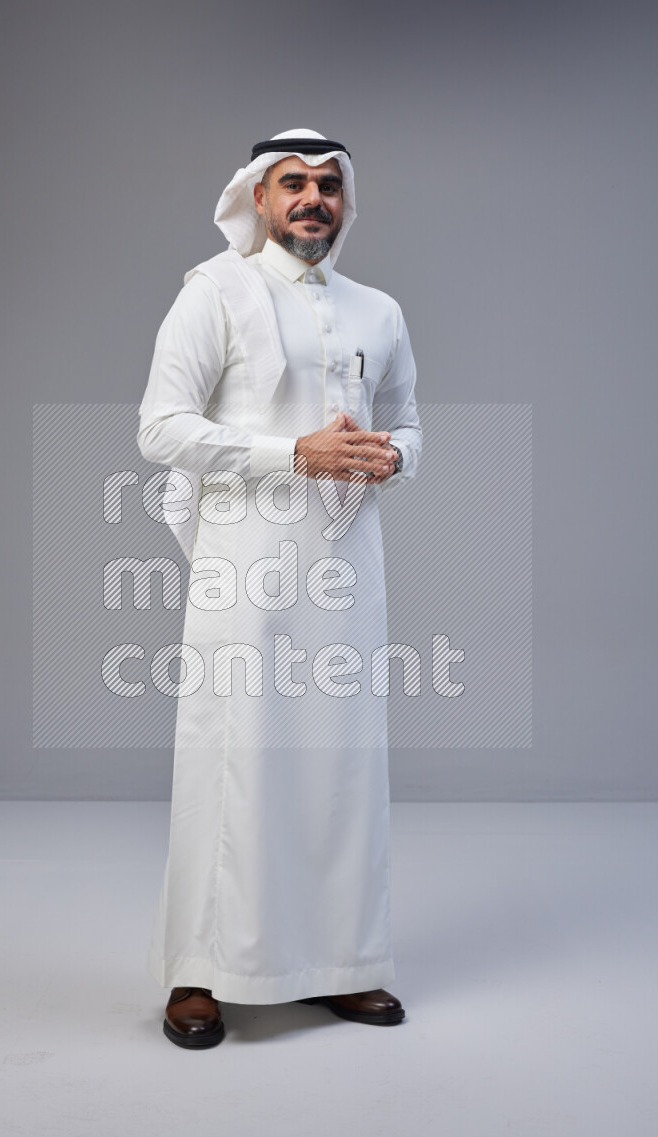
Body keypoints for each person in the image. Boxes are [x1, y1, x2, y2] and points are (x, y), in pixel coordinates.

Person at [136, 128, 422, 1048]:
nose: (313, 199)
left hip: (347, 572)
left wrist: (390, 457)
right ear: (258, 197)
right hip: (243, 570)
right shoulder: (213, 292)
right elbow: (161, 427)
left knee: (340, 765)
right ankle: (200, 972)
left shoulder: (379, 309)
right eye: (293, 183)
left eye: (328, 185)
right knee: (235, 766)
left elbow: (411, 424)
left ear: (346, 201)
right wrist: (292, 452)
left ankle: (343, 964)